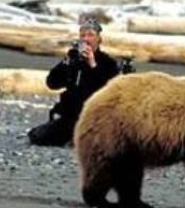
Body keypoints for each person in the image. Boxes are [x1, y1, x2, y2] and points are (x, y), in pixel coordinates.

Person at [27, 18, 120, 147]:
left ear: (99, 39)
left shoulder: (108, 63)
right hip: (70, 115)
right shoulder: (73, 59)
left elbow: (109, 89)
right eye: (83, 36)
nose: (86, 39)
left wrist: (93, 65)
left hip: (93, 116)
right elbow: (52, 83)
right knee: (36, 136)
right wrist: (66, 63)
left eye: (91, 35)